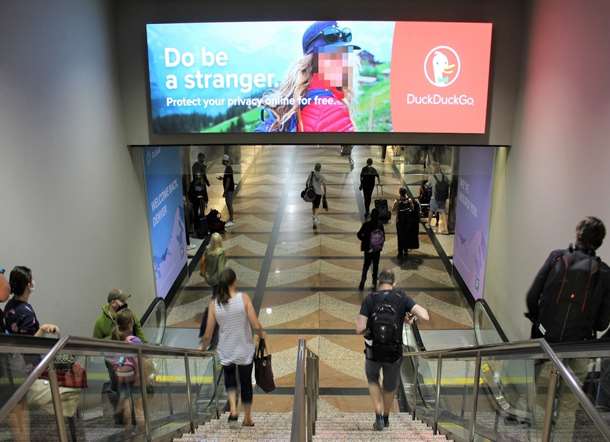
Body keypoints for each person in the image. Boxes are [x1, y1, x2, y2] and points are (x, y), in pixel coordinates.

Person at [526, 217, 609, 435]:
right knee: (569, 406)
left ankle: (538, 437)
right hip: (579, 347)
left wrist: (540, 323)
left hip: (547, 344)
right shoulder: (605, 273)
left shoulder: (557, 258)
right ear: (600, 242)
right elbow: (603, 322)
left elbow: (532, 296)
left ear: (578, 234)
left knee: (542, 401)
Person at [356, 269, 429, 431]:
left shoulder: (370, 299)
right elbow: (425, 316)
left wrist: (370, 328)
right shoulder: (401, 298)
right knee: (389, 386)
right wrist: (408, 316)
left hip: (372, 352)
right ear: (394, 283)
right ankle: (386, 417)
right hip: (394, 353)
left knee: (373, 379)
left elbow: (359, 328)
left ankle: (378, 415)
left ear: (379, 282)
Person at [258, 21, 360, 133]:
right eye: (334, 56)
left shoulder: (301, 98)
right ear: (314, 62)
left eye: (345, 54)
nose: (344, 63)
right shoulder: (331, 109)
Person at [200, 268, 265, 427]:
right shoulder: (243, 298)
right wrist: (262, 335)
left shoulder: (214, 303)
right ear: (234, 281)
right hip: (244, 349)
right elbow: (255, 324)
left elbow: (208, 333)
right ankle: (247, 418)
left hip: (226, 349)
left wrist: (202, 347)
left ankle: (233, 410)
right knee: (245, 383)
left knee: (230, 380)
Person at [109, 309, 145, 430]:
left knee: (126, 401)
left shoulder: (116, 339)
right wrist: (141, 376)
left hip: (121, 375)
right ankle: (141, 431)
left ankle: (128, 427)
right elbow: (140, 360)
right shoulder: (135, 341)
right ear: (130, 323)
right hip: (134, 376)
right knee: (138, 403)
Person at [4, 266, 59, 338]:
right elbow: (29, 345)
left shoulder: (9, 304)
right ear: (29, 285)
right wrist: (43, 329)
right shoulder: (26, 314)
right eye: (32, 279)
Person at [357, 208, 385, 291]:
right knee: (375, 266)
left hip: (368, 248)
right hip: (376, 249)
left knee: (366, 265)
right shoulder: (380, 224)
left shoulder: (366, 224)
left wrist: (364, 239)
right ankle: (374, 283)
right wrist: (380, 245)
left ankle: (362, 282)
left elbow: (358, 234)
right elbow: (383, 236)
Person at [392, 188, 421, 262]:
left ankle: (400, 252)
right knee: (406, 235)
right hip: (407, 222)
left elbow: (393, 210)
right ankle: (406, 250)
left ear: (399, 193)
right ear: (405, 193)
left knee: (400, 236)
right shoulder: (409, 200)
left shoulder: (397, 201)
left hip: (399, 221)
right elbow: (412, 208)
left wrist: (397, 205)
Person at [200, 232, 227, 297]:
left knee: (214, 291)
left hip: (208, 276)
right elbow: (220, 269)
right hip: (217, 278)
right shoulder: (220, 253)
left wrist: (203, 274)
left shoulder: (207, 250)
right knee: (217, 294)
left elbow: (203, 261)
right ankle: (215, 303)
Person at [427, 163, 450, 234]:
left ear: (434, 169)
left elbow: (428, 185)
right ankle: (446, 229)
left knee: (431, 210)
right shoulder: (444, 177)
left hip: (434, 197)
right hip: (443, 198)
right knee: (443, 212)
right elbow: (448, 183)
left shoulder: (432, 177)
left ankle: (428, 224)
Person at [307, 163, 327, 230]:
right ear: (320, 168)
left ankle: (314, 219)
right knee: (317, 207)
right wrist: (325, 194)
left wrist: (308, 188)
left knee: (313, 206)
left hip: (312, 193)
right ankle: (315, 218)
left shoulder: (311, 174)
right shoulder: (321, 176)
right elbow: (324, 185)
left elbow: (307, 182)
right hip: (318, 194)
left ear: (314, 167)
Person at [217, 154, 235, 227]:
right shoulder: (228, 168)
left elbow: (228, 180)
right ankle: (231, 218)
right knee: (228, 204)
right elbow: (227, 178)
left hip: (229, 189)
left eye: (223, 161)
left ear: (225, 161)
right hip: (229, 189)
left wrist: (225, 191)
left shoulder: (228, 168)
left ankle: (231, 219)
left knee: (229, 204)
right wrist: (222, 178)